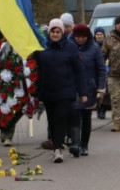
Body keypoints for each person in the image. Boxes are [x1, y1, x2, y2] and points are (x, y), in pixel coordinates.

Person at [34, 18, 87, 162]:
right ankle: (57, 143)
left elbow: (79, 70)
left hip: (66, 91)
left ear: (62, 32)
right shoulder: (43, 47)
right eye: (53, 31)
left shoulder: (70, 47)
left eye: (58, 32)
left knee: (61, 118)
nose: (55, 34)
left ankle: (57, 150)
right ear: (49, 32)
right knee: (52, 121)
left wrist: (83, 92)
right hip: (48, 91)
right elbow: (36, 69)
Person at [70, 23, 105, 156]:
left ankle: (84, 144)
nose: (80, 39)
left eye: (83, 37)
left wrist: (100, 88)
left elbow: (101, 69)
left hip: (89, 86)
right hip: (72, 86)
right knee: (74, 115)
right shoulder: (69, 46)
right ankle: (75, 143)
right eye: (78, 36)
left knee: (85, 116)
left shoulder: (94, 48)